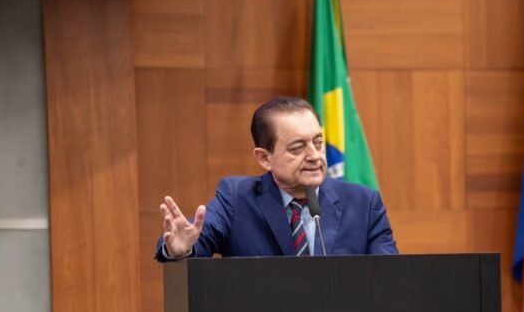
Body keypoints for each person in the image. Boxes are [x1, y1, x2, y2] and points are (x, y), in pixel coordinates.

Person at [155, 97, 397, 261]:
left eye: (318, 142)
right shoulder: (236, 199)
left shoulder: (364, 203)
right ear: (264, 158)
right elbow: (190, 239)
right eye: (298, 147)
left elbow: (390, 278)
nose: (314, 155)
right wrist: (180, 249)